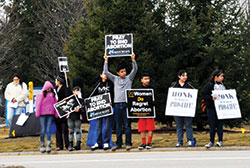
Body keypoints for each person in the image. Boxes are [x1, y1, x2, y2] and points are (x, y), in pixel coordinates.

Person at [103, 53, 138, 151]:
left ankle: (128, 143)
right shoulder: (115, 79)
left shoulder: (129, 78)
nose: (124, 73)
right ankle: (118, 143)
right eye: (122, 72)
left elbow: (135, 70)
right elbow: (106, 71)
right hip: (117, 104)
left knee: (127, 125)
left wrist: (133, 60)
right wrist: (106, 60)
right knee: (118, 126)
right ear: (118, 73)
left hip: (126, 103)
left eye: (125, 71)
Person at [90, 72, 114, 151]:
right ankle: (98, 142)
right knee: (99, 126)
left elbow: (113, 94)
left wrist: (112, 102)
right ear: (100, 75)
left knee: (107, 125)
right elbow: (93, 95)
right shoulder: (98, 84)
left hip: (108, 107)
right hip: (99, 108)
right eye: (104, 74)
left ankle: (106, 142)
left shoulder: (110, 84)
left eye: (106, 74)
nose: (105, 75)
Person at [171, 70, 195, 147]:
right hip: (177, 109)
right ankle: (179, 141)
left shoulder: (189, 85)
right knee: (179, 125)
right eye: (183, 75)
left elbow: (193, 93)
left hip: (187, 109)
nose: (185, 77)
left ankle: (190, 140)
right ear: (179, 76)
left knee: (188, 124)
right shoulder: (174, 85)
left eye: (186, 75)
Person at [203, 69, 225, 148]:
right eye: (221, 76)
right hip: (211, 108)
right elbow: (205, 95)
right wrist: (211, 98)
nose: (222, 78)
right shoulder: (209, 85)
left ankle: (220, 140)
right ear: (216, 77)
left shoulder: (222, 85)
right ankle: (211, 141)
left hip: (220, 108)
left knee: (220, 125)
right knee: (212, 125)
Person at [35, 81, 58, 153]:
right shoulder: (40, 95)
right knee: (43, 129)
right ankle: (42, 144)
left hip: (50, 114)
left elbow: (55, 104)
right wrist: (38, 113)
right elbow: (38, 104)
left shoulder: (53, 95)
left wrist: (56, 113)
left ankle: (48, 145)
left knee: (48, 129)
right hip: (42, 114)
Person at [137, 73, 156, 150]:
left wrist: (153, 103)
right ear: (141, 80)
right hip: (141, 111)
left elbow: (155, 98)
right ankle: (144, 143)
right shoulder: (138, 89)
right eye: (145, 79)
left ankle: (149, 142)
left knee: (150, 128)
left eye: (148, 79)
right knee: (142, 128)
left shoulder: (152, 88)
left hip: (150, 111)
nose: (147, 80)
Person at [55, 76, 72, 150]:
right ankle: (59, 145)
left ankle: (67, 144)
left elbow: (69, 98)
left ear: (59, 81)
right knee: (58, 128)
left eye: (56, 80)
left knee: (65, 128)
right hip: (57, 111)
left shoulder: (66, 88)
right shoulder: (55, 89)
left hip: (64, 110)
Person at [67, 86, 84, 151]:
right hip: (70, 116)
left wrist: (79, 110)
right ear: (73, 91)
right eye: (76, 91)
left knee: (78, 130)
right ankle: (70, 144)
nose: (77, 92)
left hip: (78, 117)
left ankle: (78, 144)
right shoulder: (70, 99)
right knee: (71, 131)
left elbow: (83, 109)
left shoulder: (81, 99)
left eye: (79, 91)